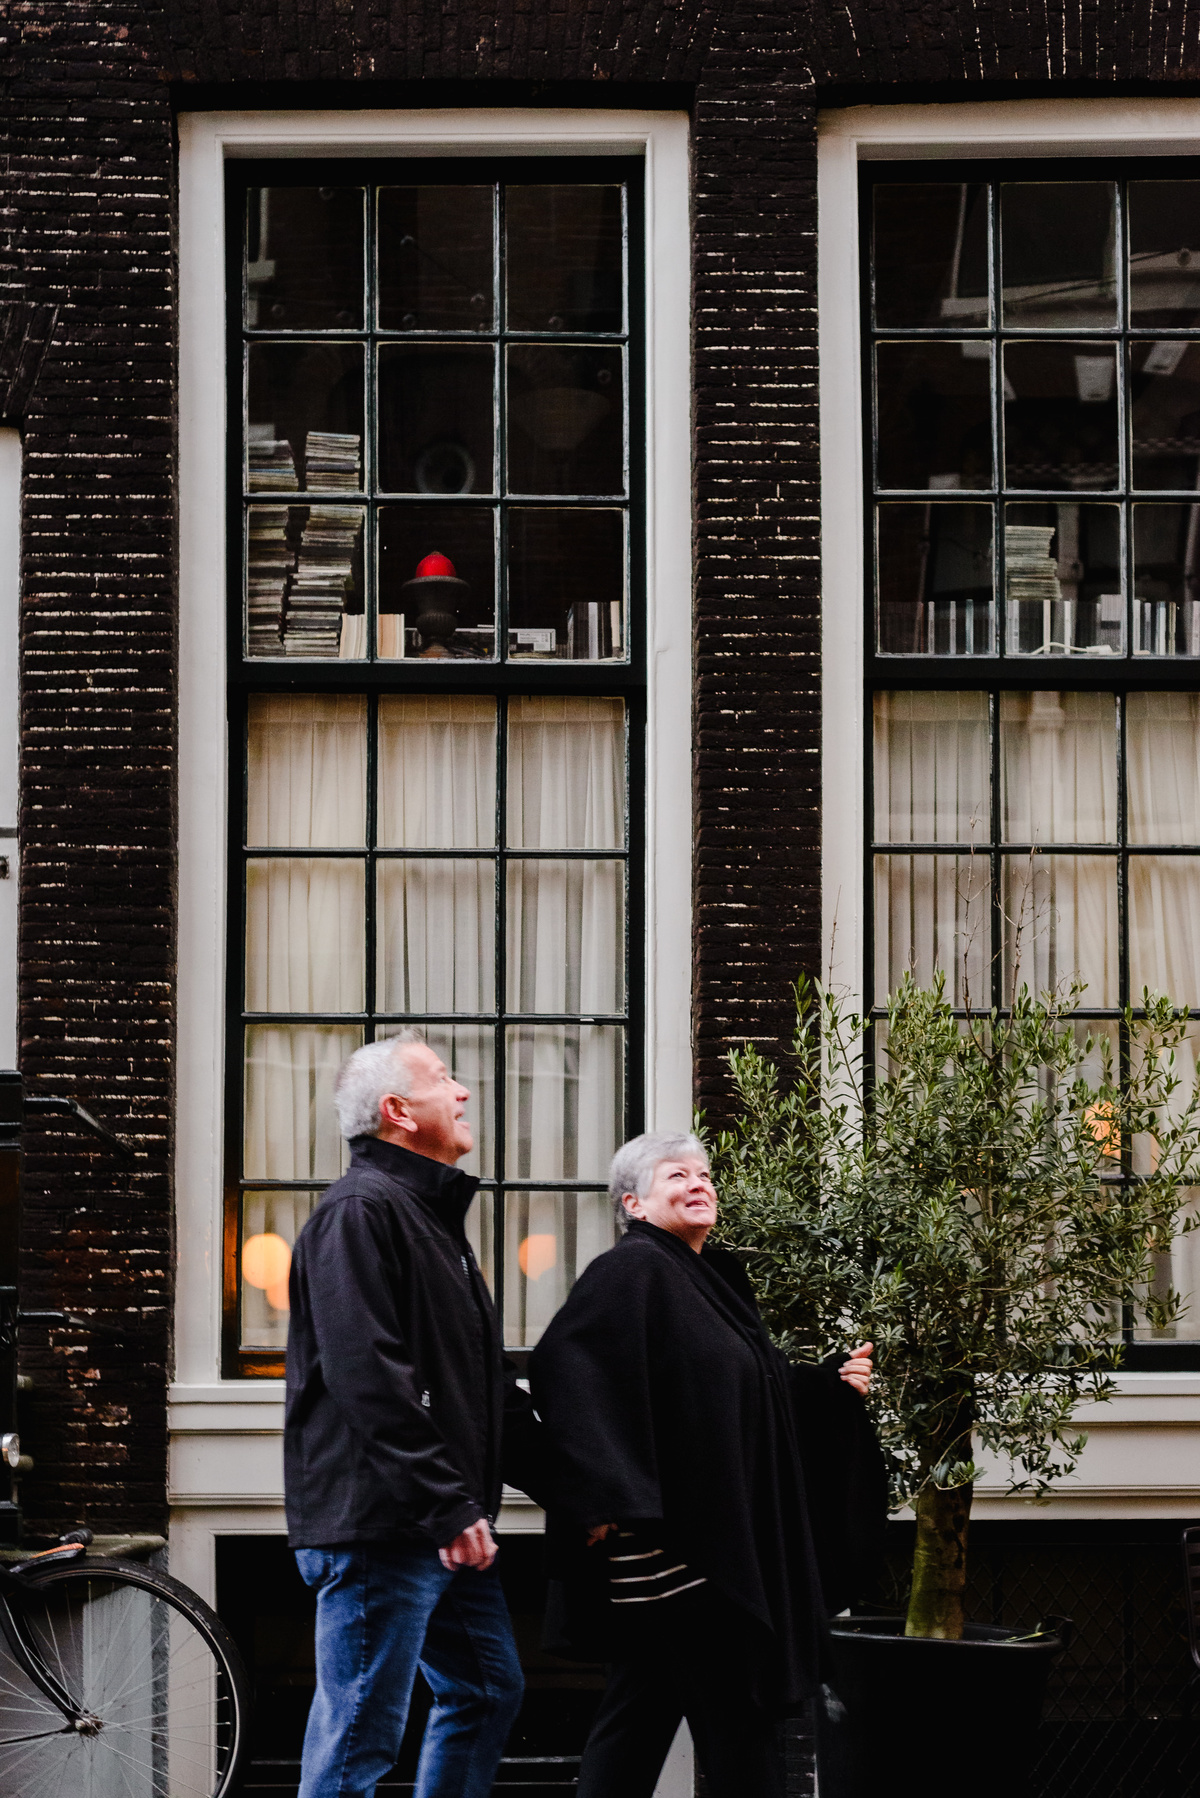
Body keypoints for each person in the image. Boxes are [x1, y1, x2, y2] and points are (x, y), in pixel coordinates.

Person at [529, 1131, 885, 1798]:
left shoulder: (702, 1281)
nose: (699, 1183)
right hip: (684, 1555)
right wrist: (604, 1497)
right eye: (676, 1176)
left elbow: (745, 1395)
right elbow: (564, 1367)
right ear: (632, 1203)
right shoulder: (633, 1270)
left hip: (690, 1555)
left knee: (643, 1718)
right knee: (735, 1725)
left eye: (703, 1173)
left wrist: (828, 1386)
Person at [285, 1031, 545, 1798]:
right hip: (387, 1526)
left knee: (488, 1690)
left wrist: (589, 1494)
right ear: (397, 1111)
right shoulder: (361, 1214)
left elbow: (487, 1391)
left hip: (442, 1523)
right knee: (359, 1739)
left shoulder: (432, 1223)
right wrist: (444, 1504)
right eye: (444, 1080)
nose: (463, 1092)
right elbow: (367, 1375)